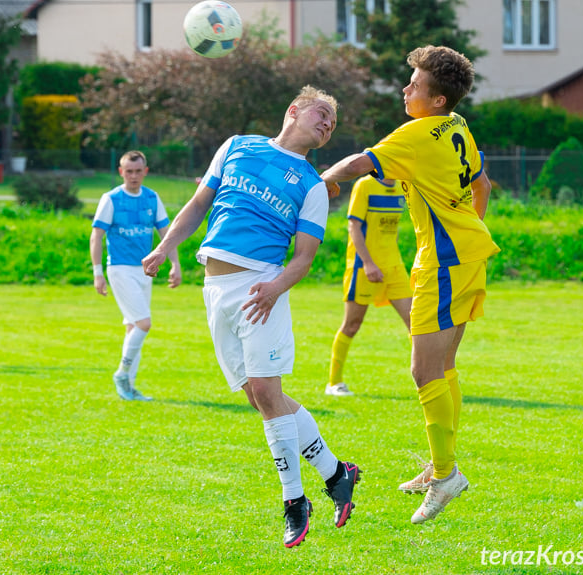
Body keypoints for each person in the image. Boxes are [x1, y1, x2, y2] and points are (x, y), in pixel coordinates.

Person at [142, 86, 360, 548]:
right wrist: (166, 246)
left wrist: (276, 288)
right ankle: (337, 472)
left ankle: (294, 501)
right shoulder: (237, 146)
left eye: (332, 124)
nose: (326, 125)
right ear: (293, 111)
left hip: (262, 286)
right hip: (214, 288)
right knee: (258, 399)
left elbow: (304, 256)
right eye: (321, 114)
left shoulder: (313, 185)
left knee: (266, 390)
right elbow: (200, 203)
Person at [320, 46, 500, 525]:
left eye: (414, 85)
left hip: (442, 263)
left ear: (437, 100)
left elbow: (360, 161)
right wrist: (466, 227)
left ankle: (445, 475)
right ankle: (443, 465)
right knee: (444, 367)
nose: (405, 90)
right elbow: (482, 183)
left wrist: (316, 184)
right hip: (469, 253)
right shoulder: (457, 123)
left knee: (424, 372)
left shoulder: (418, 132)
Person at [91, 150, 182, 401]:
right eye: (128, 171)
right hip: (120, 269)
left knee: (133, 327)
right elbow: (96, 236)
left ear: (145, 171)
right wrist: (98, 273)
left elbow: (167, 235)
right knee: (144, 323)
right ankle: (121, 374)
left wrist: (176, 264)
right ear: (121, 172)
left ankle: (128, 387)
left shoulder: (152, 198)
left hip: (145, 271)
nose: (133, 176)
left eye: (137, 171)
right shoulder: (111, 199)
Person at [326, 175, 412, 396]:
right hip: (363, 267)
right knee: (352, 325)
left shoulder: (403, 187)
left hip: (395, 266)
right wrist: (368, 263)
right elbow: (353, 226)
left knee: (417, 324)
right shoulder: (365, 185)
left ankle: (428, 380)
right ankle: (334, 383)